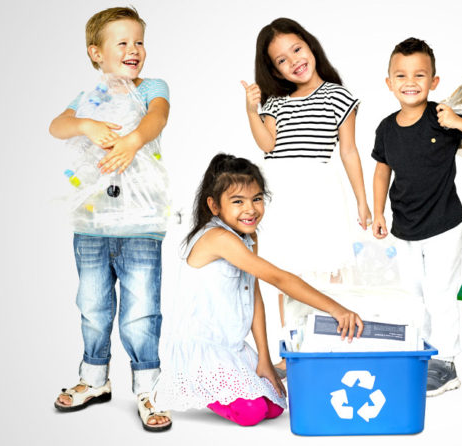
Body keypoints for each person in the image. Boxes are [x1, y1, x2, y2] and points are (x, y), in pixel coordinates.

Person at [150, 153, 364, 428]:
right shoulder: (218, 238)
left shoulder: (249, 237)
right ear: (214, 206)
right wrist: (335, 308)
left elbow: (253, 294)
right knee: (252, 413)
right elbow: (278, 278)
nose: (250, 209)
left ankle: (244, 376)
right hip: (202, 348)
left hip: (232, 346)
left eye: (257, 199)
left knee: (274, 408)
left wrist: (264, 357)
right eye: (237, 201)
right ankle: (185, 385)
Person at [45, 6, 172, 431]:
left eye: (139, 41)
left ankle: (148, 387)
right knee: (93, 306)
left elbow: (158, 115)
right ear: (95, 53)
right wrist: (85, 124)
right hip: (93, 224)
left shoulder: (151, 86)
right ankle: (94, 379)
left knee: (140, 311)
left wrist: (134, 140)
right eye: (123, 42)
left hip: (140, 222)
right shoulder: (89, 99)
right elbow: (56, 126)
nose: (134, 49)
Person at [370, 37, 462, 396]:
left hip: (443, 224)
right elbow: (382, 171)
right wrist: (377, 211)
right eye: (401, 75)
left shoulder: (441, 115)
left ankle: (446, 363)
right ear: (389, 82)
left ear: (434, 82)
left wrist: (458, 120)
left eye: (419, 75)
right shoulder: (386, 128)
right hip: (404, 227)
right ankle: (421, 353)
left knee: (440, 293)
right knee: (412, 294)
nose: (410, 82)